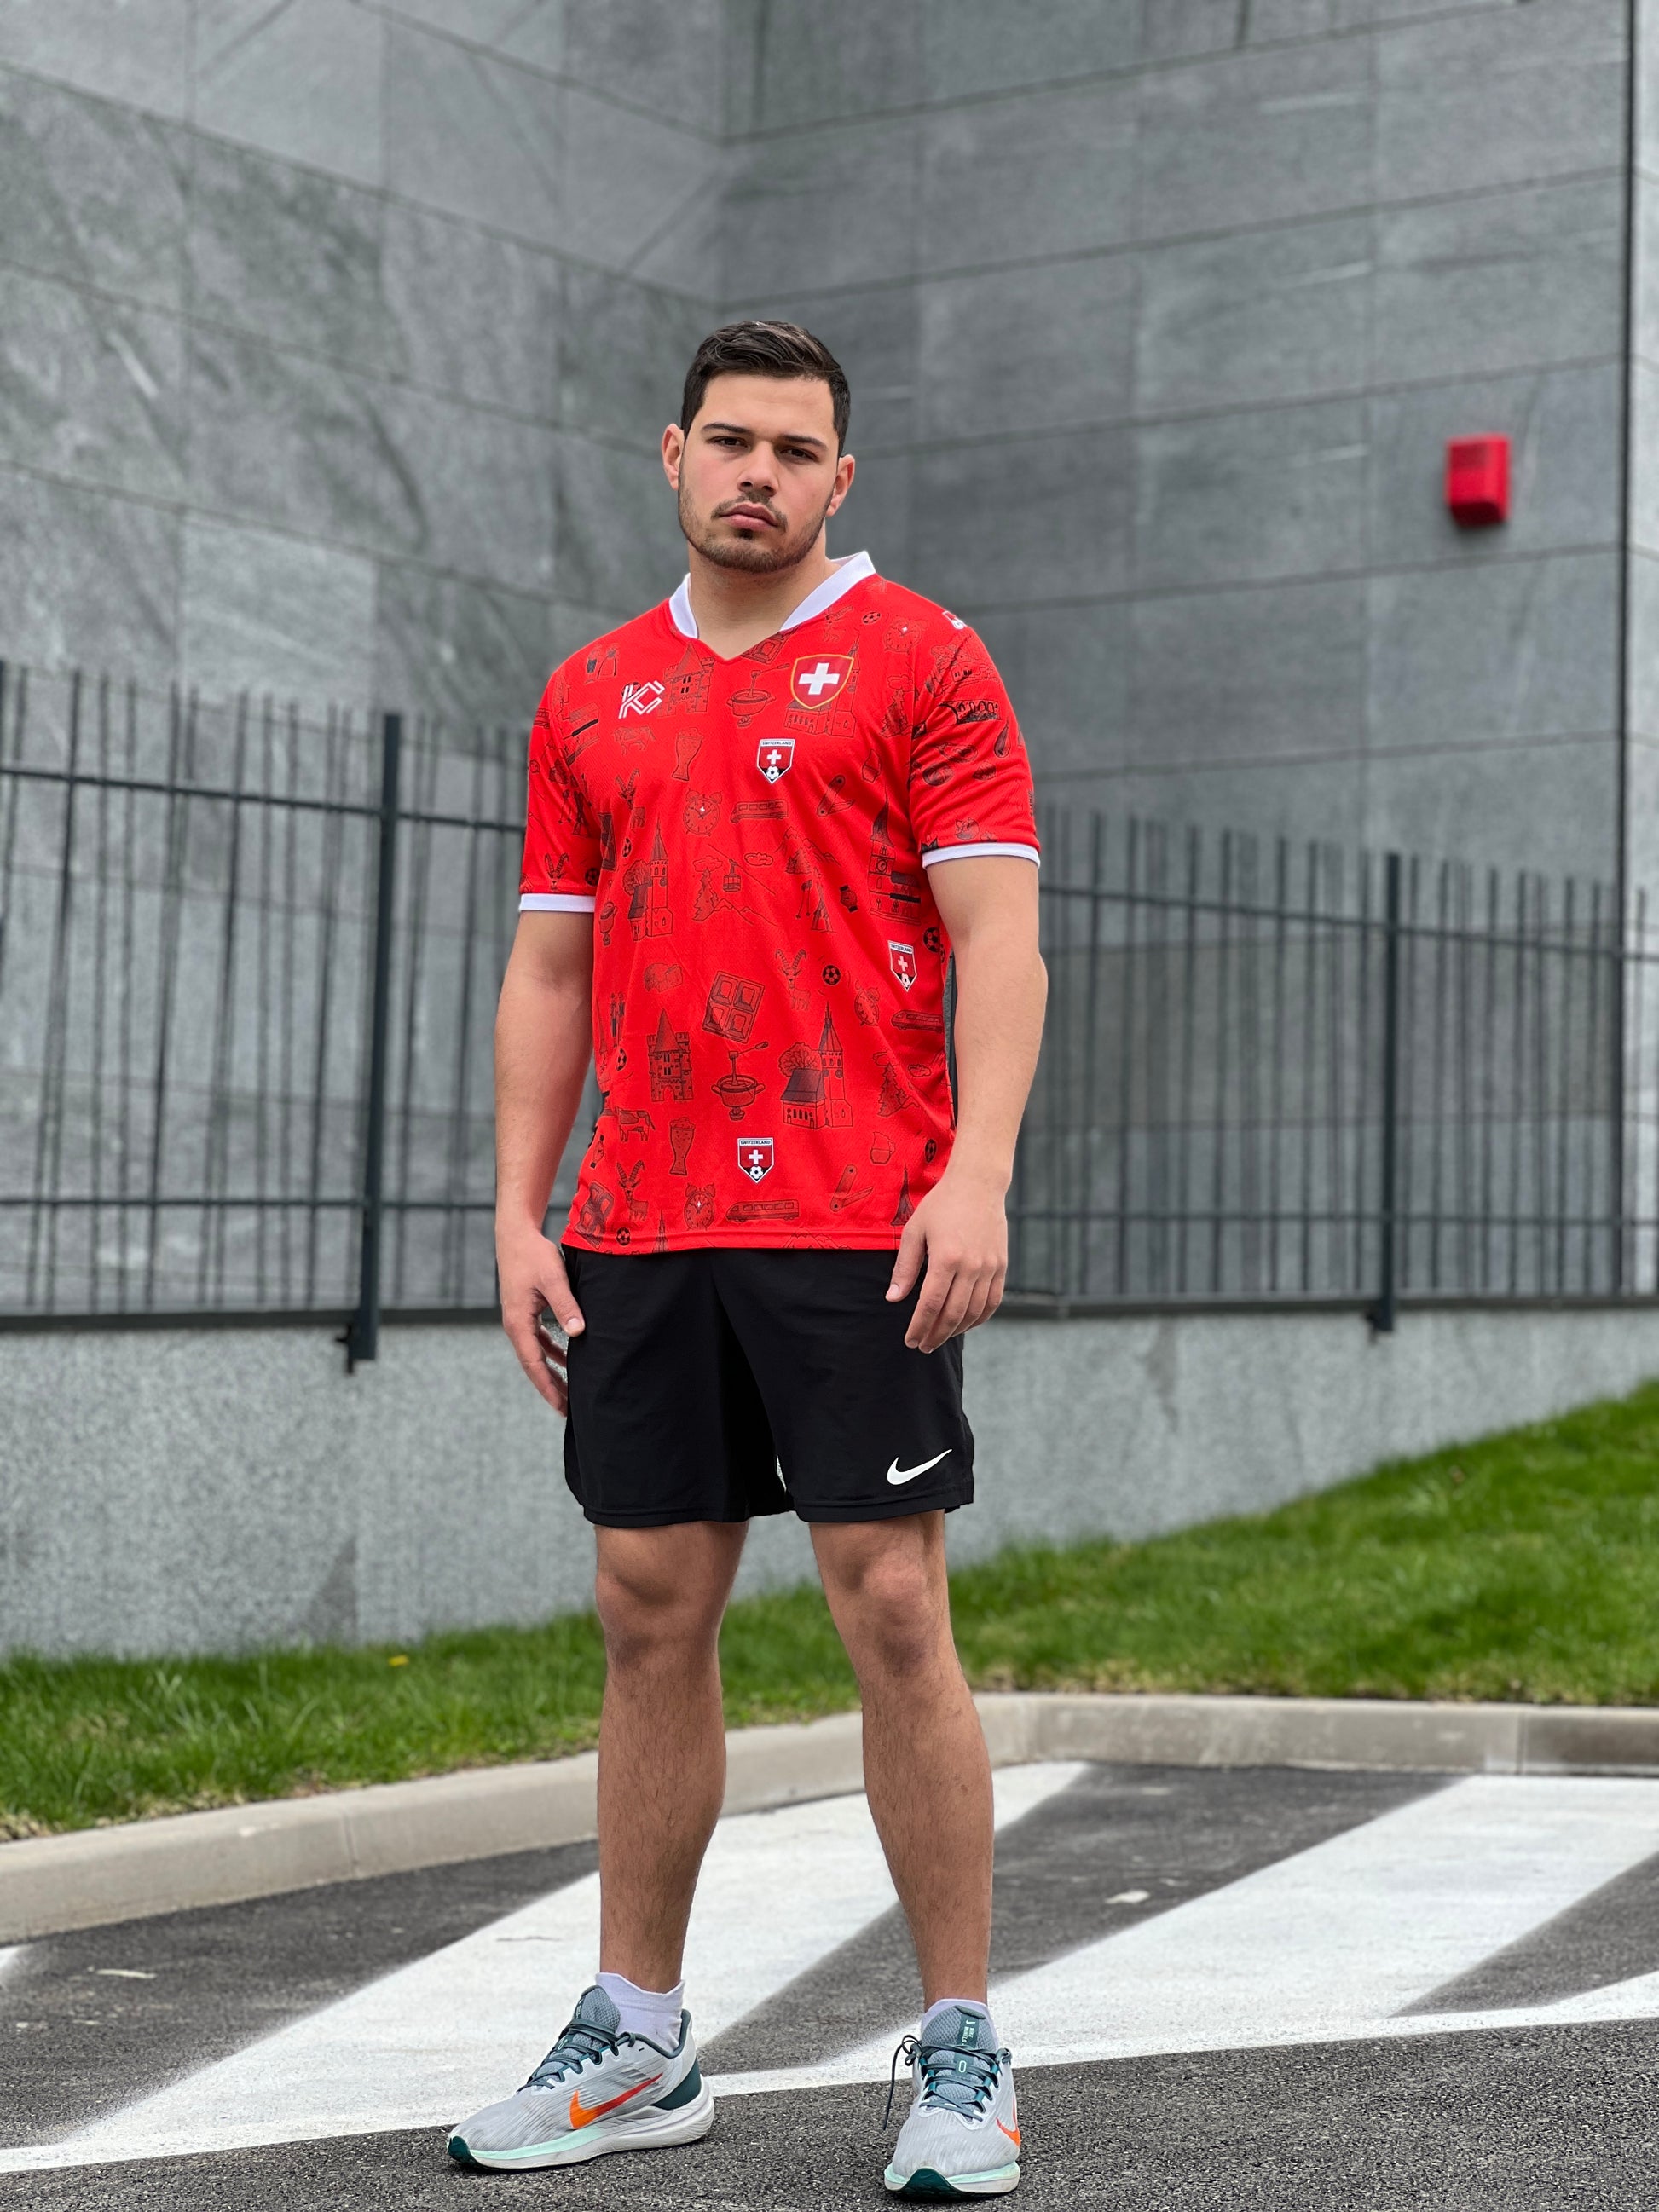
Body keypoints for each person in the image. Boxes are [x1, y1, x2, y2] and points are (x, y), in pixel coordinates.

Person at [449, 321, 1045, 2200]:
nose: (758, 474)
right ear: (673, 453)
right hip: (643, 1219)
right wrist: (519, 1206)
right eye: (730, 441)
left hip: (861, 1213)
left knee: (890, 1604)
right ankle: (637, 2031)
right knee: (645, 1604)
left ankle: (961, 2045)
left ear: (838, 479)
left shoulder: (926, 658)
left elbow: (999, 941)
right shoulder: (587, 692)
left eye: (795, 450)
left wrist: (976, 1173)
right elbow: (551, 965)